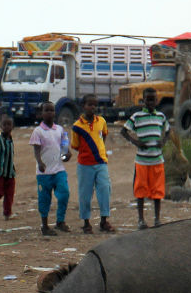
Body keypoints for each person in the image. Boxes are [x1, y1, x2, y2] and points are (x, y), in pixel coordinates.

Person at [121, 87, 170, 229]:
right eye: (148, 100)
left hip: (157, 160)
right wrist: (136, 142)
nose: (150, 102)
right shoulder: (137, 116)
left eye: (153, 100)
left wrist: (163, 141)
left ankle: (157, 219)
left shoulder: (161, 116)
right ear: (143, 101)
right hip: (142, 161)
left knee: (157, 191)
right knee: (140, 190)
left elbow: (168, 131)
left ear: (157, 101)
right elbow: (123, 131)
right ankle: (141, 220)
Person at [70, 95, 116, 234]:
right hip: (85, 165)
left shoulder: (101, 121)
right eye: (90, 104)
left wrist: (99, 151)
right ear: (83, 106)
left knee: (105, 190)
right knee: (85, 194)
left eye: (95, 105)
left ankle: (104, 220)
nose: (93, 107)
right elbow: (75, 145)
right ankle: (86, 222)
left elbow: (103, 135)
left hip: (101, 162)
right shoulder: (77, 126)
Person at [29, 101, 70, 236]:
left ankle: (60, 221)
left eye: (52, 110)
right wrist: (39, 162)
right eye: (46, 110)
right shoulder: (38, 131)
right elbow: (36, 150)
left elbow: (64, 147)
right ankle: (45, 225)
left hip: (59, 169)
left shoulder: (60, 129)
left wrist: (67, 154)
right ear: (41, 113)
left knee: (64, 193)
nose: (49, 113)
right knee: (44, 199)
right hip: (44, 173)